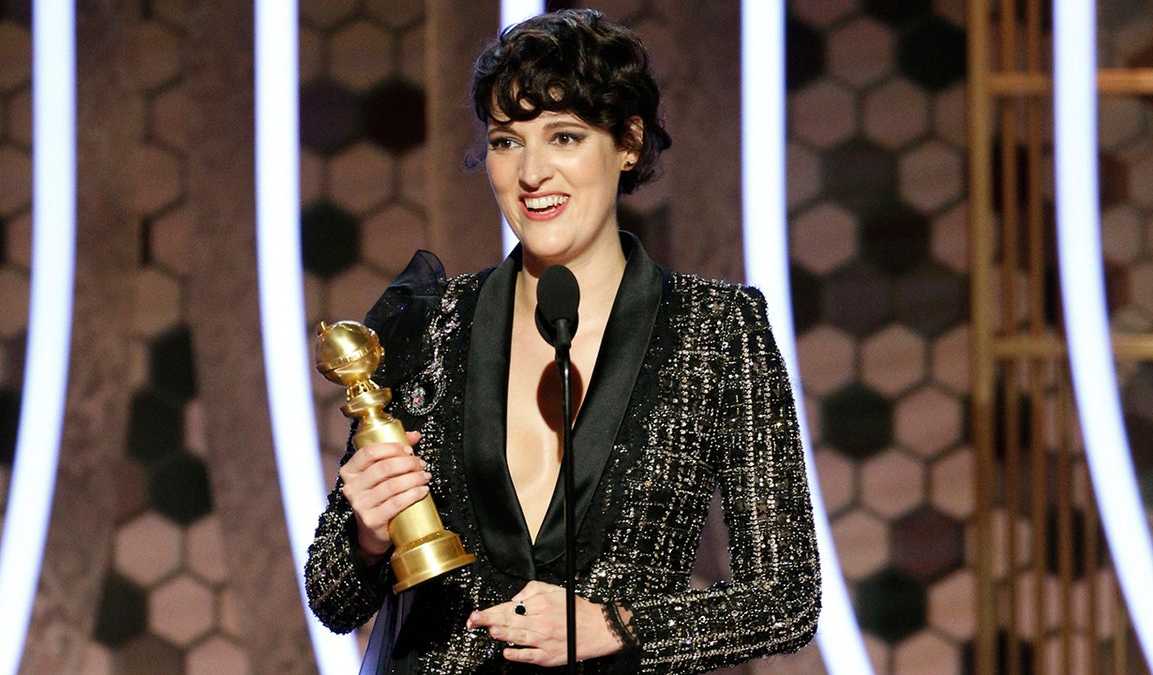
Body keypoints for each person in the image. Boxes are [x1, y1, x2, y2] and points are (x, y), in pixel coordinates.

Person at [305, 8, 820, 673]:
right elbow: (332, 594)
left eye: (565, 137)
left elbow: (785, 597)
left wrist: (617, 622)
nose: (531, 172)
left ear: (629, 142)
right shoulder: (436, 321)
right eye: (506, 140)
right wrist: (369, 535)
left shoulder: (716, 330)